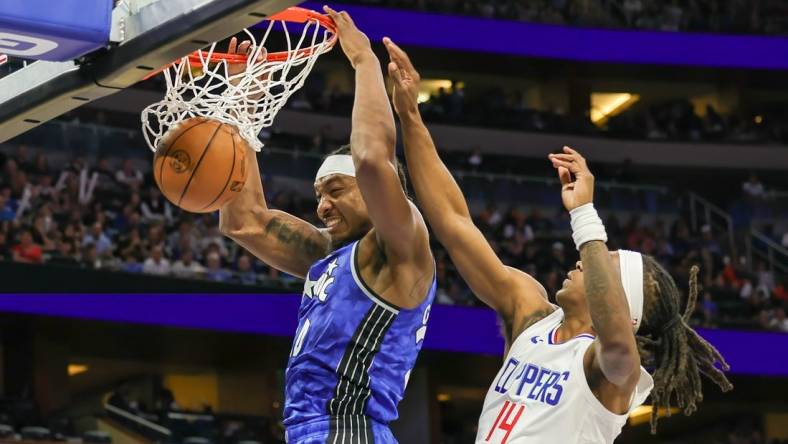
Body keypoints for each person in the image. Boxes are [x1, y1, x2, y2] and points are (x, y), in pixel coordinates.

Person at [382, 38, 732, 442]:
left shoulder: (613, 372)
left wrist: (585, 217)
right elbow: (455, 222)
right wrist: (409, 114)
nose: (584, 261)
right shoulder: (530, 314)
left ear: (623, 306)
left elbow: (617, 341)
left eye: (603, 263)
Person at [219, 8, 435, 443]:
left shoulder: (402, 246)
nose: (322, 206)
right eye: (319, 194)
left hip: (350, 431)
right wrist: (239, 110)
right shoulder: (330, 256)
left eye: (335, 190)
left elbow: (373, 158)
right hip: (312, 431)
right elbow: (243, 222)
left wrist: (363, 62)